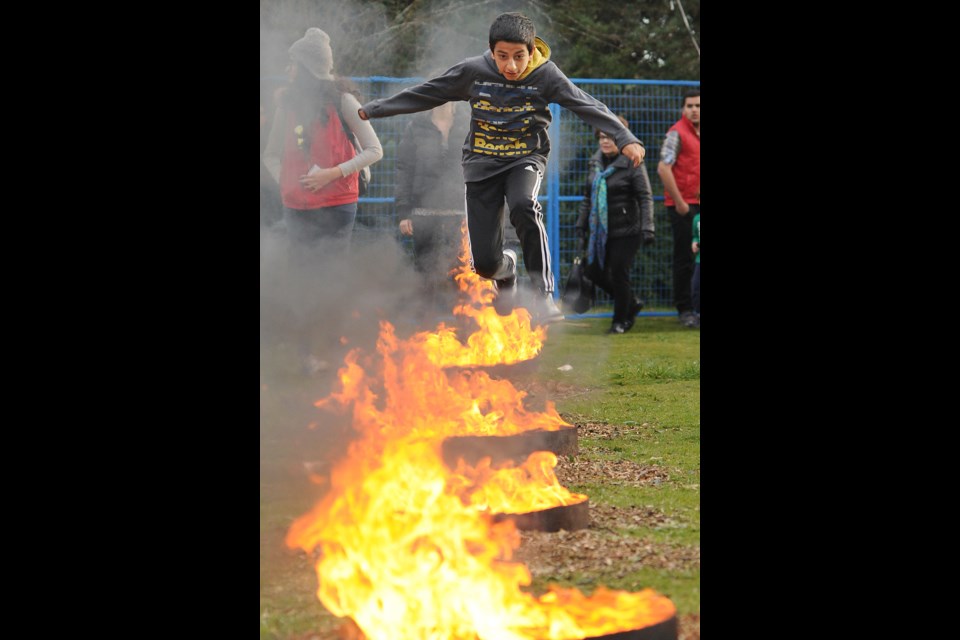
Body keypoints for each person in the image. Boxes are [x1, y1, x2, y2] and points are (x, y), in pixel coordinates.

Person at [357, 12, 646, 323]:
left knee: (523, 204)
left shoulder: (546, 75)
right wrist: (376, 109)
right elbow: (429, 92)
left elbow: (585, 103)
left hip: (525, 159)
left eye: (519, 57)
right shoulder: (474, 72)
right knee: (483, 264)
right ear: (491, 51)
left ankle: (543, 293)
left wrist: (624, 136)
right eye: (502, 57)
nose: (511, 66)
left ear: (531, 51)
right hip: (481, 164)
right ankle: (506, 275)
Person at [263, 28, 383, 256]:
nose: (288, 69)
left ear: (308, 69)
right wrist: (286, 181)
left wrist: (333, 173)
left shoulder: (344, 101)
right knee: (302, 273)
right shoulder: (286, 106)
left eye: (294, 63)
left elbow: (375, 150)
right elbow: (270, 154)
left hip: (339, 205)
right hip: (295, 207)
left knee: (331, 275)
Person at [575, 115, 654, 334]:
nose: (605, 141)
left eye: (610, 137)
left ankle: (620, 321)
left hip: (628, 230)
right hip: (601, 231)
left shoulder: (633, 162)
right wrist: (581, 224)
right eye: (601, 136)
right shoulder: (595, 162)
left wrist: (648, 227)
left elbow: (645, 196)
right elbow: (587, 198)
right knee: (593, 271)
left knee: (619, 274)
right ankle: (631, 302)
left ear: (621, 139)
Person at [396, 102, 467, 316]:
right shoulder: (416, 126)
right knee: (425, 274)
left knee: (461, 274)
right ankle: (426, 329)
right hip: (424, 213)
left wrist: (478, 211)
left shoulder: (469, 124)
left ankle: (462, 328)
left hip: (461, 213)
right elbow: (404, 170)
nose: (443, 100)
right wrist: (403, 213)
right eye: (438, 95)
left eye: (447, 94)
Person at [657, 89, 700, 328]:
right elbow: (664, 169)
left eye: (698, 105)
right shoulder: (677, 133)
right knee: (685, 257)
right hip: (683, 207)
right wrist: (681, 204)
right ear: (683, 109)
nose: (694, 110)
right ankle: (685, 310)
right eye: (690, 106)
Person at [691, 210, 700, 329]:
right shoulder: (696, 219)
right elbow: (695, 236)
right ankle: (698, 315)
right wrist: (694, 242)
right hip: (699, 260)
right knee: (695, 288)